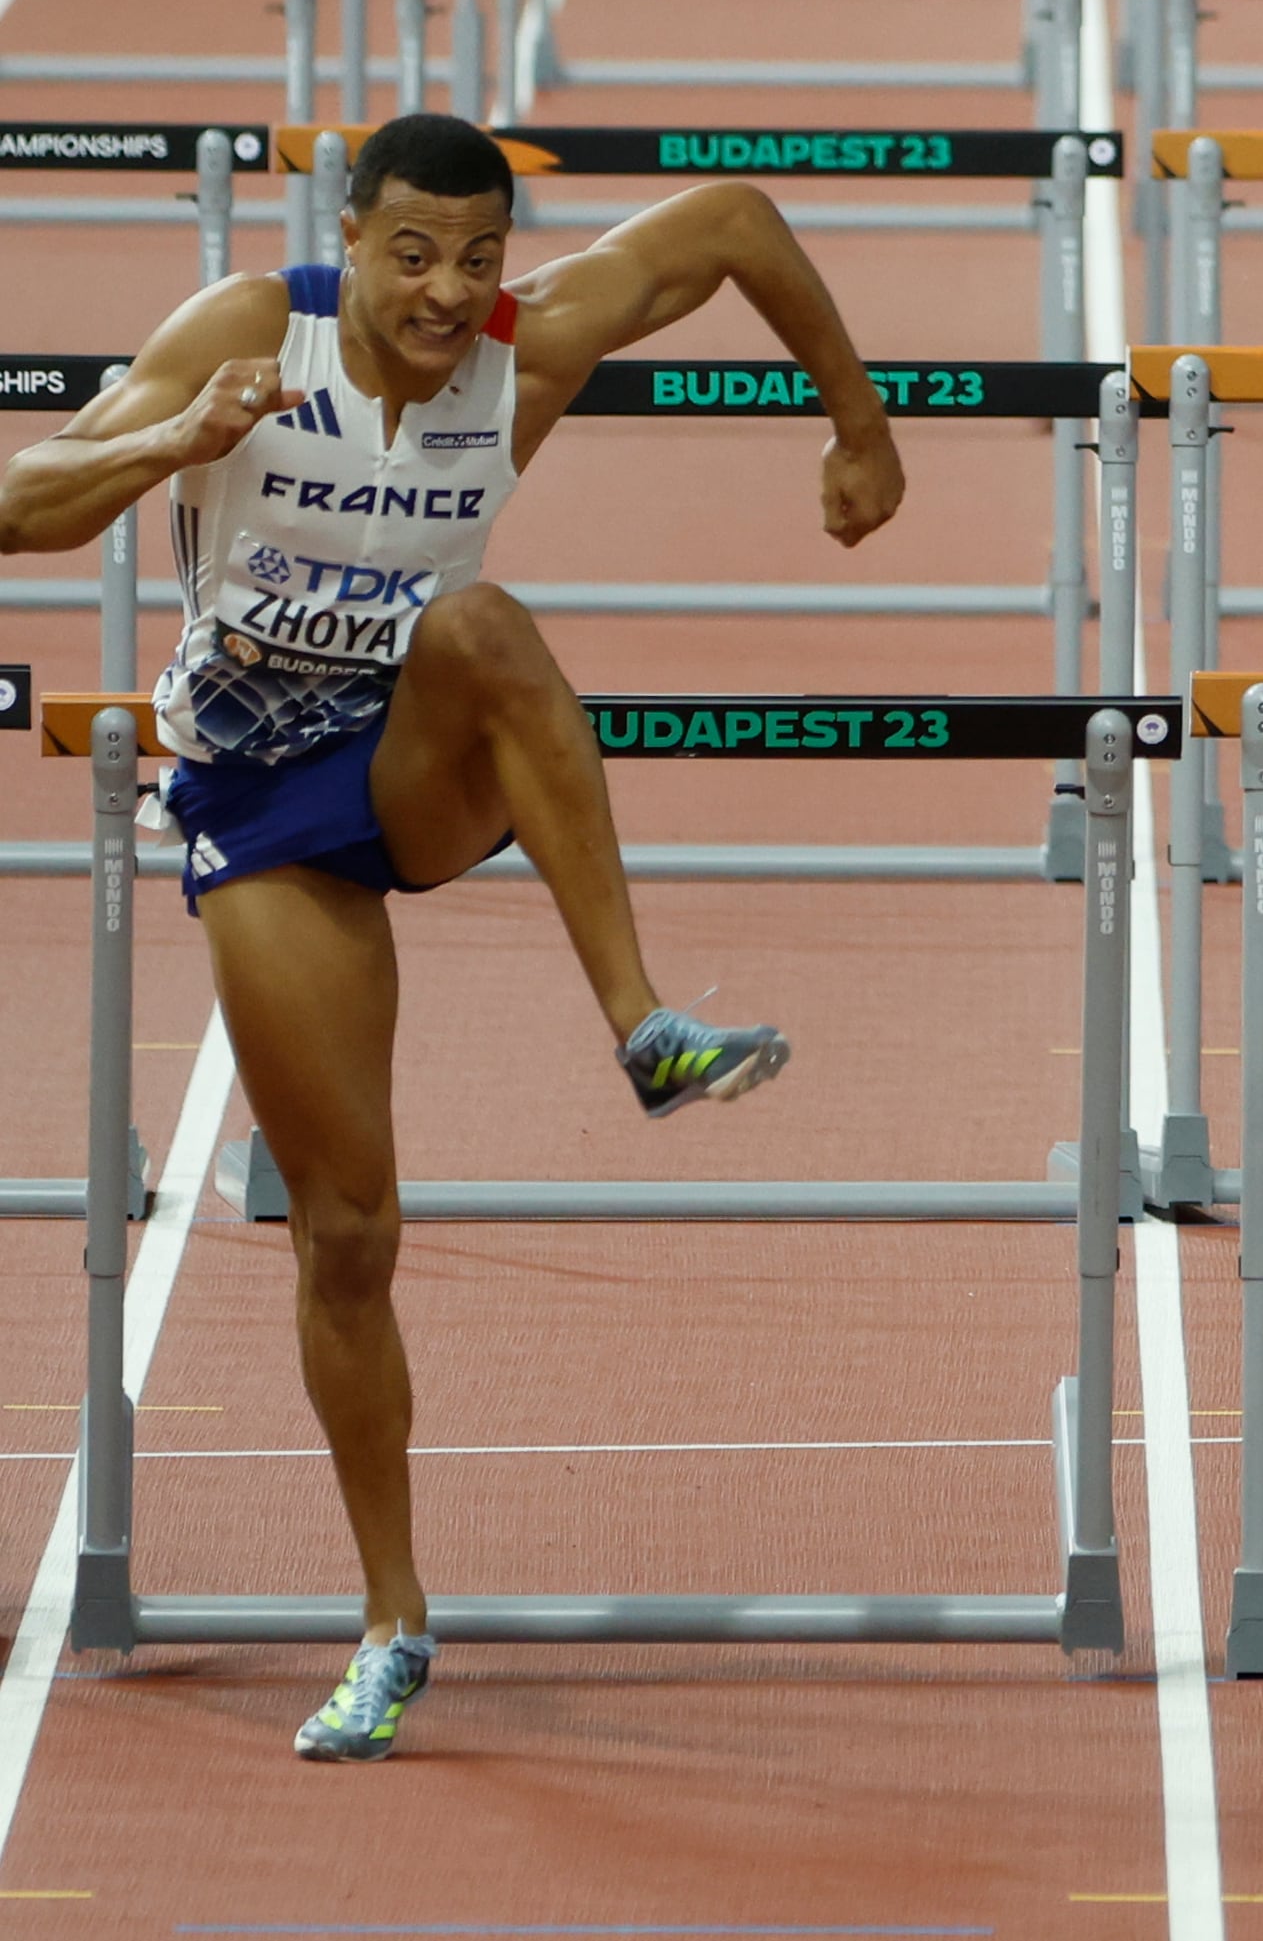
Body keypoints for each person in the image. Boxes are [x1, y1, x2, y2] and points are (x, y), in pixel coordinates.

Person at [0, 113, 907, 1763]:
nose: (445, 289)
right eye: (411, 252)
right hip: (258, 798)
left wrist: (861, 425)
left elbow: (739, 221)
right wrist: (173, 441)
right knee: (347, 1230)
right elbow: (16, 503)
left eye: (477, 256)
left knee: (481, 619)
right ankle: (391, 1616)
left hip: (416, 756)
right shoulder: (243, 332)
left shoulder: (526, 346)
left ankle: (641, 1024)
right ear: (349, 235)